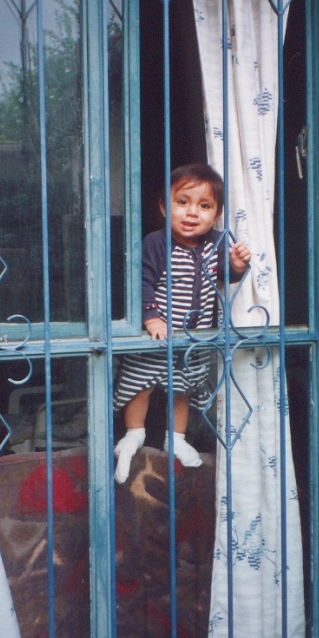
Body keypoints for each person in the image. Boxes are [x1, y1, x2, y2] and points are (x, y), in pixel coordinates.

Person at [113, 163, 251, 484]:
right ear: (164, 206)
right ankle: (134, 433)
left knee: (182, 389)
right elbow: (142, 281)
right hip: (158, 334)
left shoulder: (216, 244)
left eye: (204, 206)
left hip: (194, 339)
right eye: (182, 202)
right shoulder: (156, 243)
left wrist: (237, 265)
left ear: (216, 214)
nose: (192, 213)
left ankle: (174, 438)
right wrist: (150, 316)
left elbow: (225, 278)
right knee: (141, 384)